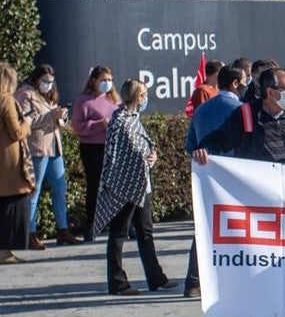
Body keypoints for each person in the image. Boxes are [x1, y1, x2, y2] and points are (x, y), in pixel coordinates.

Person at [93, 79, 177, 296]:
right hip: (124, 186)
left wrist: (153, 155)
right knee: (118, 234)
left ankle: (156, 278)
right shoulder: (119, 121)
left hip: (141, 184)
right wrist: (141, 158)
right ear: (138, 97)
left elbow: (143, 145)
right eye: (144, 95)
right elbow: (117, 154)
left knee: (145, 232)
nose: (146, 99)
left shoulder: (133, 118)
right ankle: (118, 283)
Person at [182, 65, 244, 298]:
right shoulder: (241, 110)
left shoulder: (202, 110)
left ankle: (193, 281)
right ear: (236, 83)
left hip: (206, 177)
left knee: (204, 229)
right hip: (236, 177)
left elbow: (191, 145)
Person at [191, 67, 285, 166]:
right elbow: (220, 140)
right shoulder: (245, 114)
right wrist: (204, 150)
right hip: (257, 187)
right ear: (270, 92)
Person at [15, 64, 77, 249]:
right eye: (45, 81)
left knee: (60, 189)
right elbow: (25, 122)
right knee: (35, 191)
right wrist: (51, 115)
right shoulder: (25, 95)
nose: (48, 85)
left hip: (54, 147)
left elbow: (53, 119)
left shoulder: (48, 96)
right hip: (37, 148)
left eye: (51, 82)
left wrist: (61, 117)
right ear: (36, 79)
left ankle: (63, 229)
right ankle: (30, 233)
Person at [71, 65, 120, 243]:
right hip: (92, 148)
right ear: (93, 81)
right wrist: (100, 124)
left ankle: (117, 224)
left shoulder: (114, 99)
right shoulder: (84, 101)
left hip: (111, 147)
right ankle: (91, 225)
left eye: (109, 80)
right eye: (103, 80)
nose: (107, 84)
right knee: (94, 187)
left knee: (114, 186)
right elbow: (77, 126)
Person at [0, 63, 33, 264]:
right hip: (10, 161)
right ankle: (5, 251)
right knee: (13, 206)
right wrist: (27, 124)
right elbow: (16, 132)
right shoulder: (6, 100)